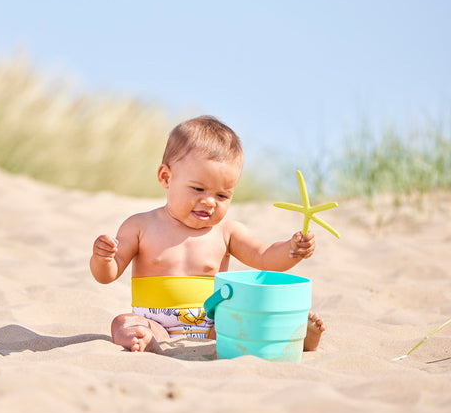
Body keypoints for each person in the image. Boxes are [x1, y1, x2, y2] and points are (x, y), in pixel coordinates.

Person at [90, 115, 326, 353]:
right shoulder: (140, 225)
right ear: (166, 177)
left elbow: (265, 257)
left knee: (245, 323)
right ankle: (146, 339)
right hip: (155, 321)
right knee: (122, 323)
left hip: (213, 323)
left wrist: (292, 250)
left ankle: (299, 338)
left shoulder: (226, 232)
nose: (210, 202)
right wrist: (104, 258)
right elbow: (107, 275)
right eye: (198, 189)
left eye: (222, 195)